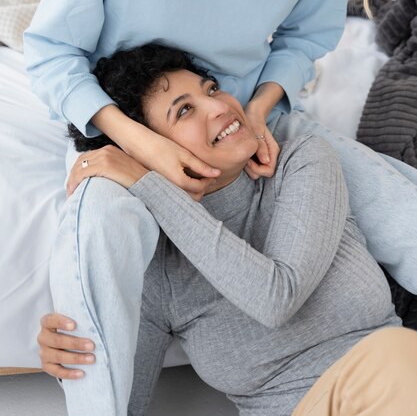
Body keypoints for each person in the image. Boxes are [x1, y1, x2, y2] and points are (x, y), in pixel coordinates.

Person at [38, 44, 417, 416]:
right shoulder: (159, 268)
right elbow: (125, 400)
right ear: (146, 148)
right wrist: (73, 358)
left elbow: (277, 296)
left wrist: (146, 184)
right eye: (184, 111)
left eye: (212, 89)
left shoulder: (301, 163)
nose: (221, 107)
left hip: (389, 378)